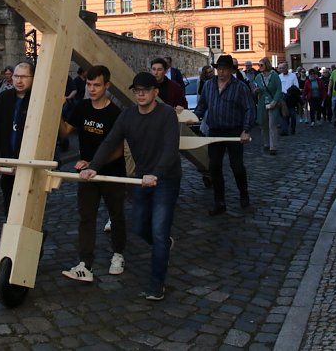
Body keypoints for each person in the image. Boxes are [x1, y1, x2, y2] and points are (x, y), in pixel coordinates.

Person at [80, 71, 181, 301]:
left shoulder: (166, 115)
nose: (141, 94)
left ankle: (156, 286)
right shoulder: (127, 116)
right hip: (142, 178)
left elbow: (170, 149)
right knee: (138, 226)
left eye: (145, 90)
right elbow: (110, 141)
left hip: (166, 179)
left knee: (158, 229)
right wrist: (93, 166)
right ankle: (162, 243)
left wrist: (156, 174)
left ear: (156, 92)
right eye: (137, 91)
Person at [60, 65, 127, 282]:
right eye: (89, 85)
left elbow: (118, 149)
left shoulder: (115, 113)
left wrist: (93, 163)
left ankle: (118, 254)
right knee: (86, 217)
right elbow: (64, 131)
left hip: (111, 173)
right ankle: (85, 264)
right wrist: (56, 108)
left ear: (107, 85)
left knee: (116, 215)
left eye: (97, 85)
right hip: (87, 174)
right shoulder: (82, 107)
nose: (92, 89)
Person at [195, 55, 255, 215]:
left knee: (236, 166)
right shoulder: (208, 85)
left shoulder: (240, 87)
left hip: (234, 131)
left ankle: (244, 193)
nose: (221, 72)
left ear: (231, 70)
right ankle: (219, 201)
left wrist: (246, 129)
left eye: (224, 69)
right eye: (219, 69)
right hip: (214, 131)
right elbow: (202, 106)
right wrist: (191, 117)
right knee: (214, 167)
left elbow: (249, 108)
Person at [0, 61, 34, 215]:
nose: (19, 81)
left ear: (33, 78)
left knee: (29, 207)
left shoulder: (37, 99)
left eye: (24, 77)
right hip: (8, 162)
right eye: (16, 76)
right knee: (9, 202)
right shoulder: (4, 98)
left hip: (29, 163)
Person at [254, 57, 283, 155]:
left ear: (267, 64)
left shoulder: (274, 76)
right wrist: (255, 90)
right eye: (259, 65)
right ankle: (266, 143)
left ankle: (273, 146)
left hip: (272, 103)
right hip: (262, 103)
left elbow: (279, 89)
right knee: (263, 124)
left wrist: (274, 101)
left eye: (261, 65)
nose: (260, 67)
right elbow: (255, 88)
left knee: (272, 124)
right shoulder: (258, 77)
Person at [278, 62, 299, 136]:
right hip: (283, 97)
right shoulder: (279, 76)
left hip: (291, 97)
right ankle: (285, 130)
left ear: (287, 67)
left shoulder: (293, 76)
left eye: (283, 68)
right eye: (280, 68)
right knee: (284, 114)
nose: (282, 69)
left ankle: (293, 128)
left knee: (292, 114)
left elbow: (296, 86)